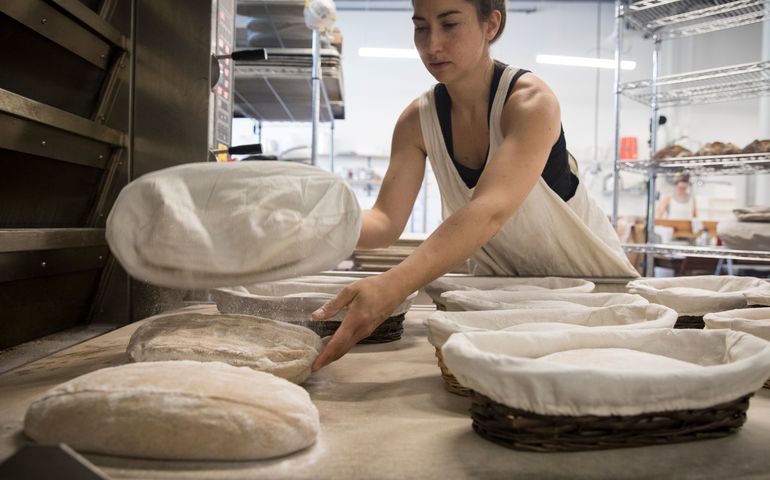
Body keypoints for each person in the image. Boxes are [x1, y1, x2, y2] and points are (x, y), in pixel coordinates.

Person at [311, 0, 638, 371]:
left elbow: (489, 210)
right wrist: (311, 225)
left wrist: (394, 285)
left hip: (595, 297)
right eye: (421, 27)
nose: (432, 45)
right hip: (508, 303)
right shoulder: (417, 121)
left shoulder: (530, 102)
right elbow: (386, 221)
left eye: (449, 25)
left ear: (490, 25)